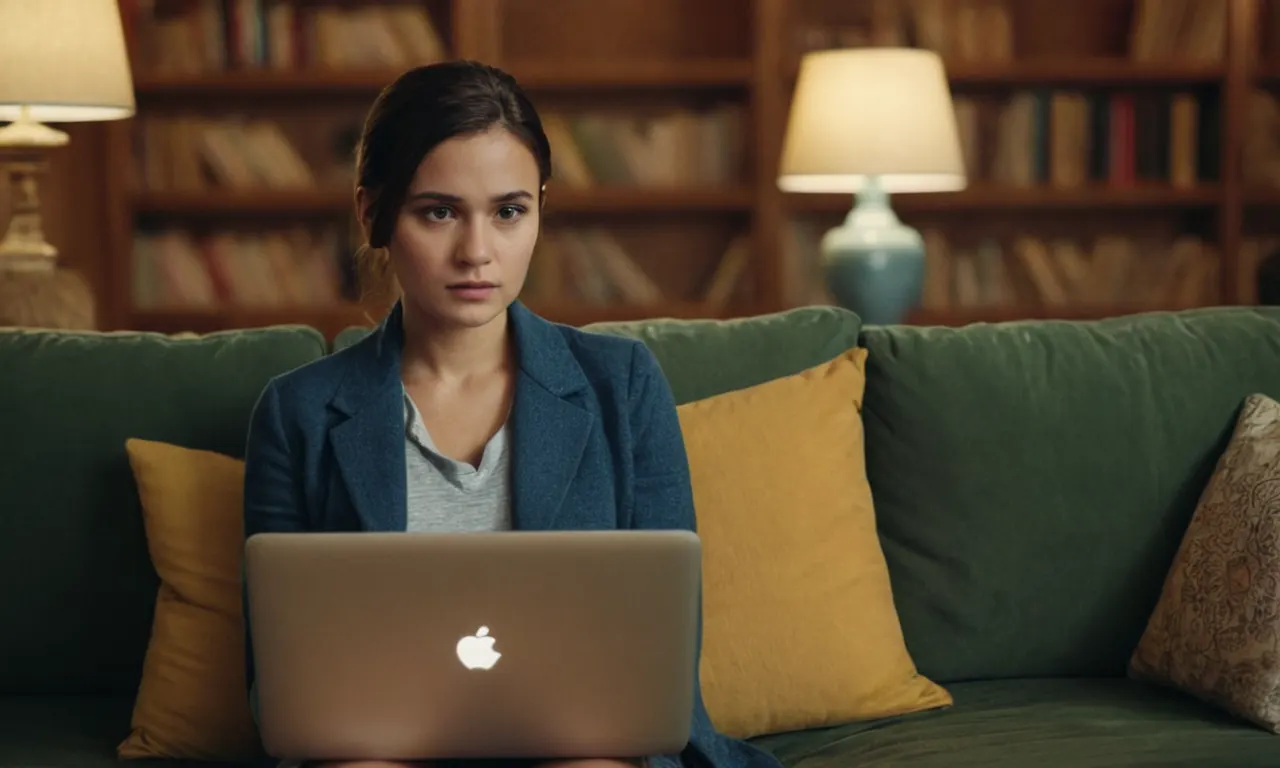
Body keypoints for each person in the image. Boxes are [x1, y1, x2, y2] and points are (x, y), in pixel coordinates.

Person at [241, 60, 782, 768]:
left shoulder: (622, 385)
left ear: (539, 210)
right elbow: (282, 681)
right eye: (438, 211)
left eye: (508, 211)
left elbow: (662, 652)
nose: (477, 252)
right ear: (372, 213)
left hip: (584, 749)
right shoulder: (298, 413)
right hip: (378, 750)